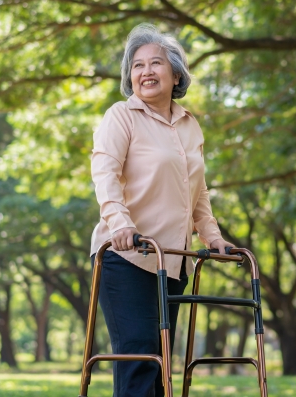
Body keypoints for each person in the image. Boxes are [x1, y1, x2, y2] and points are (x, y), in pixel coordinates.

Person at [90, 23, 234, 397]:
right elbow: (104, 173)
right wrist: (119, 223)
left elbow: (197, 190)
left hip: (171, 260)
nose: (146, 72)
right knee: (139, 358)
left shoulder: (190, 125)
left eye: (156, 63)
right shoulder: (121, 116)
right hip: (127, 256)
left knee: (160, 370)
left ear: (175, 74)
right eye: (137, 66)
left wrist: (213, 236)